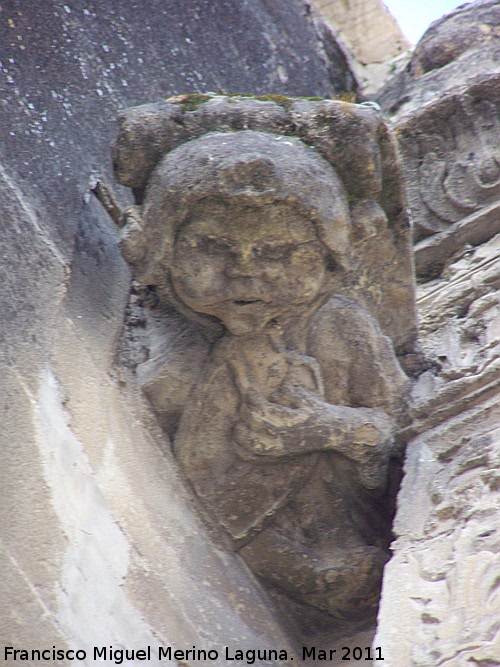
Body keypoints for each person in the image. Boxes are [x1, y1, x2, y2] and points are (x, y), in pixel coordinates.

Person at [119, 130, 410, 620]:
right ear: (158, 250)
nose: (245, 273)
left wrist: (335, 428)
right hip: (267, 556)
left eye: (279, 252)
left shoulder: (341, 326)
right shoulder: (175, 348)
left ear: (331, 256)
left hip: (355, 540)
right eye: (210, 246)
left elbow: (401, 435)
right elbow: (203, 475)